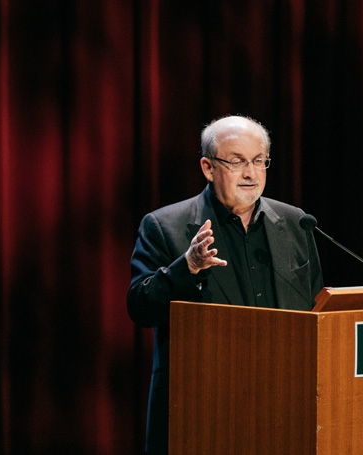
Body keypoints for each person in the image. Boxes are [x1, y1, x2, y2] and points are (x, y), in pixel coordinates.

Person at [127, 115, 324, 454]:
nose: (251, 173)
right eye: (237, 162)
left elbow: (317, 309)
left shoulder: (294, 223)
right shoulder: (165, 226)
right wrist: (186, 267)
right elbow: (140, 307)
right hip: (204, 413)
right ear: (208, 167)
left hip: (285, 409)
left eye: (259, 161)